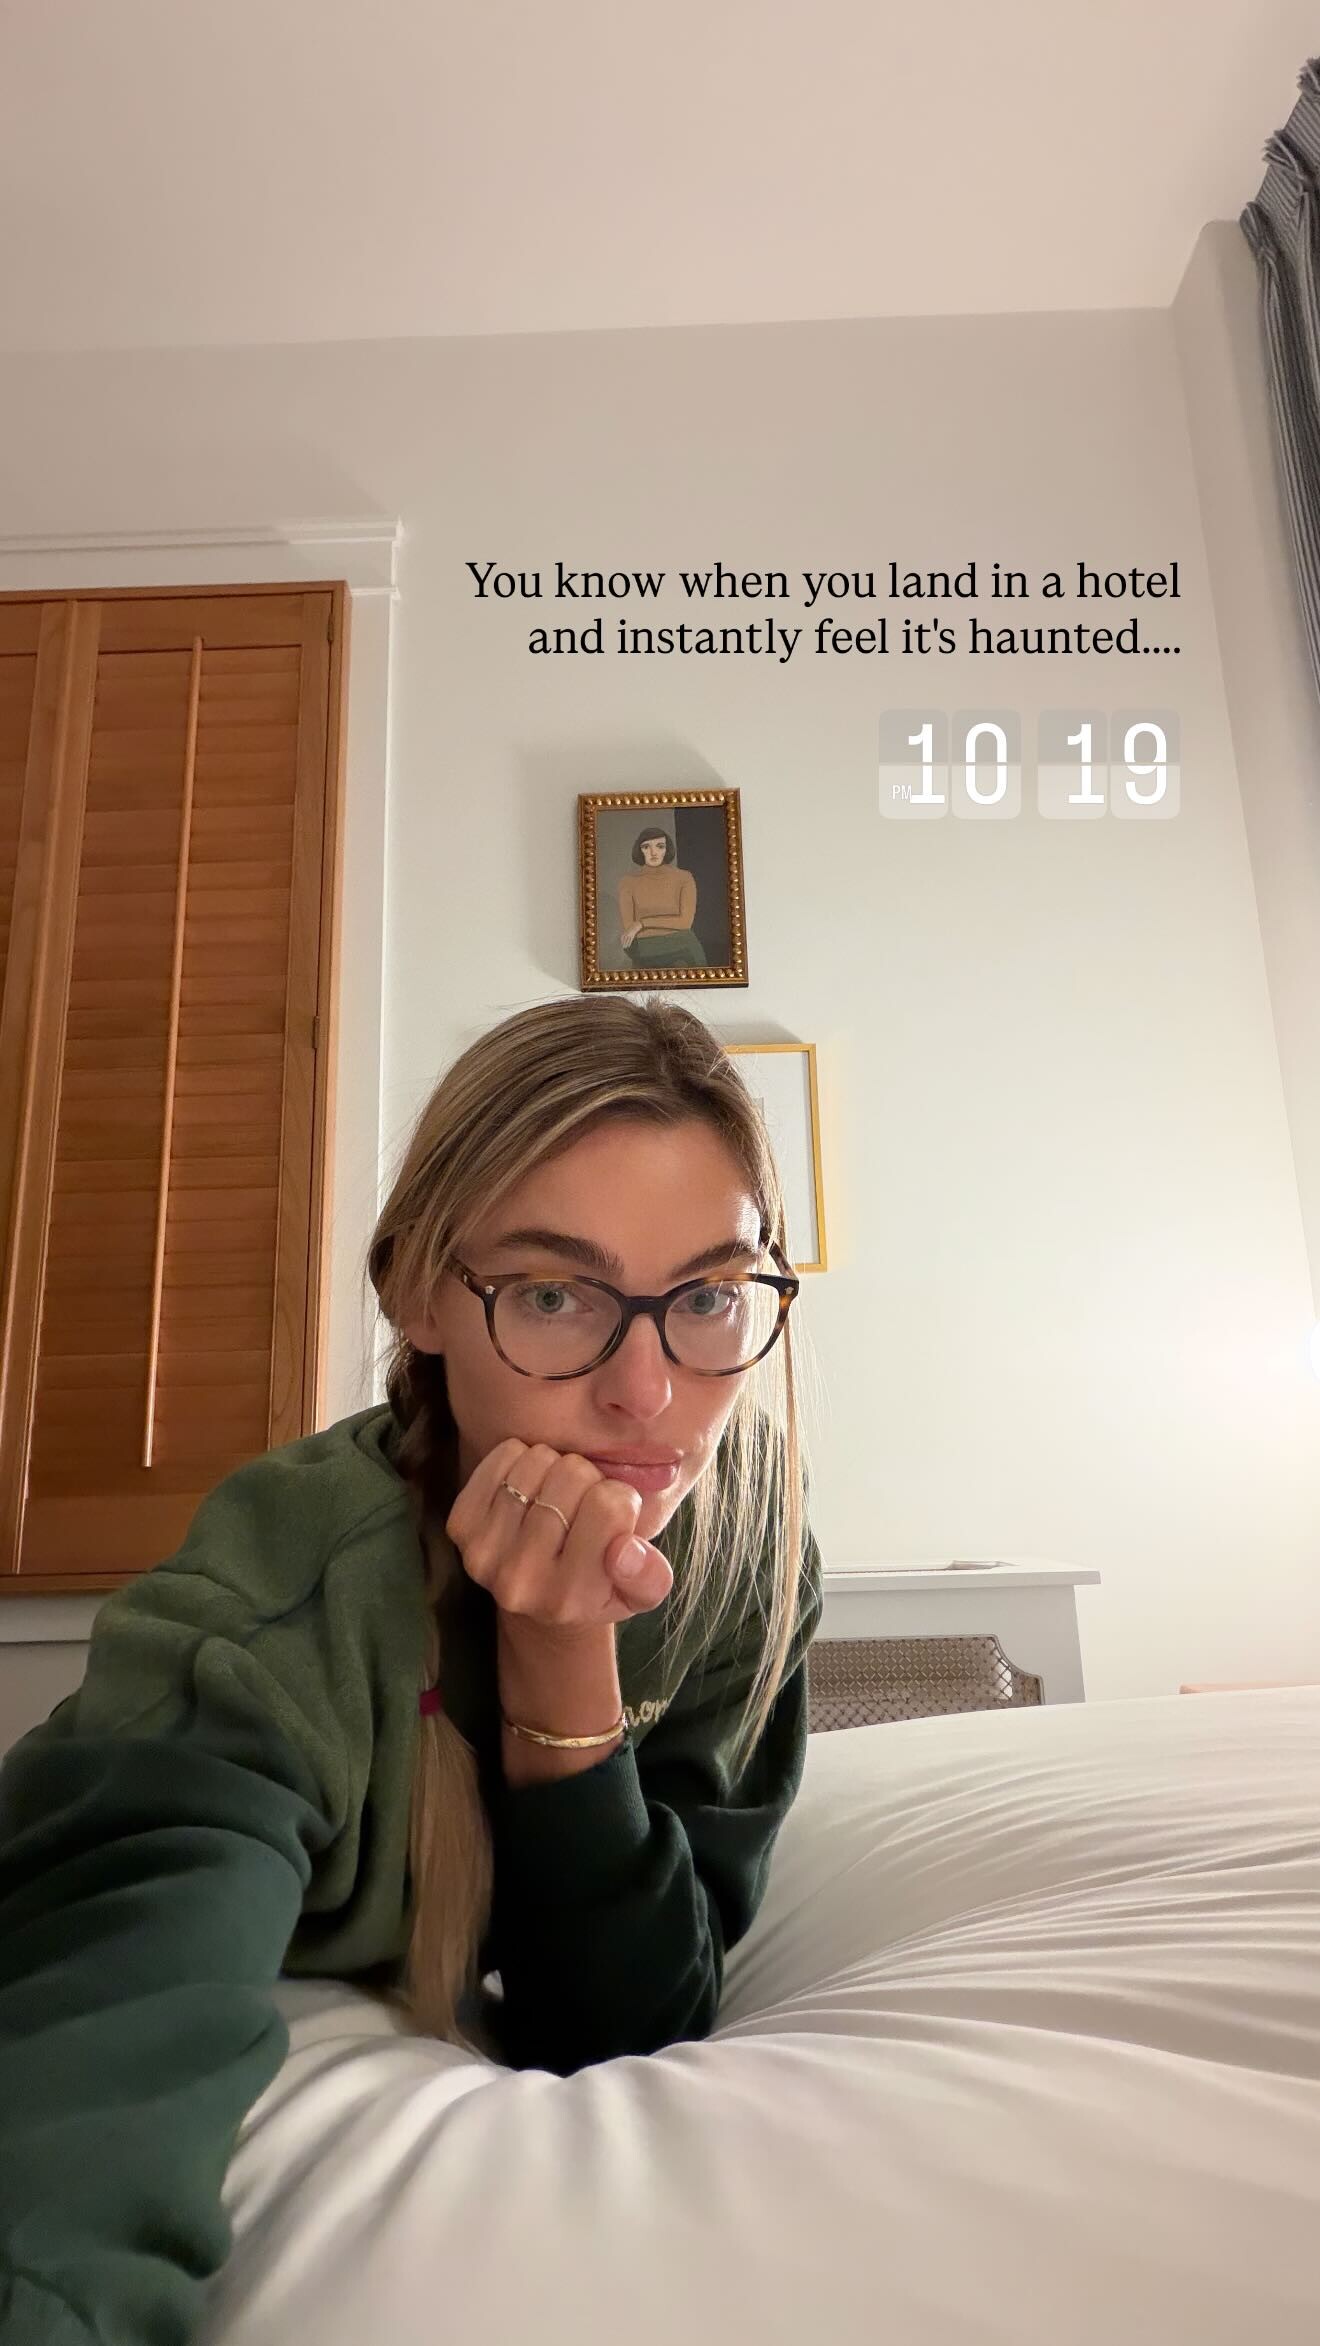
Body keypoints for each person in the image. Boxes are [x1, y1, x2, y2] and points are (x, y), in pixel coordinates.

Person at [0, 992, 824, 2346]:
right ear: (417, 1291)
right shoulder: (280, 1586)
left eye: (707, 1298)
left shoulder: (746, 1546)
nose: (647, 1392)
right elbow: (109, 2023)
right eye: (553, 1294)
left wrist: (563, 1655)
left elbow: (626, 2019)